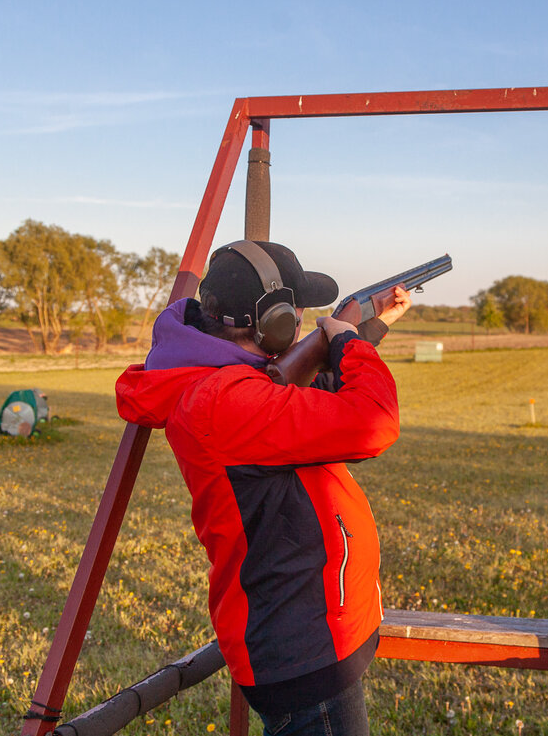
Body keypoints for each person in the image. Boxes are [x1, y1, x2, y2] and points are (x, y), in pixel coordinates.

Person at [115, 240, 411, 736]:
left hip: (309, 632)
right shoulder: (223, 400)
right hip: (302, 648)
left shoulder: (231, 383)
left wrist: (371, 327)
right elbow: (372, 422)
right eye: (296, 309)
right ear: (272, 320)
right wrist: (345, 341)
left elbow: (315, 403)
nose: (302, 318)